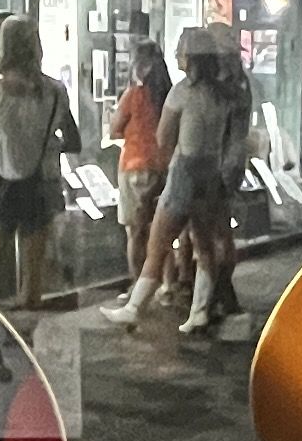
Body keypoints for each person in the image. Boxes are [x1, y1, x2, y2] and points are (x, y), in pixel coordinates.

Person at [140, 31, 260, 338]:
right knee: (208, 240)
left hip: (191, 168)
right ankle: (203, 306)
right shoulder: (230, 91)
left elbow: (165, 137)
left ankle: (141, 304)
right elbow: (235, 134)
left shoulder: (187, 91)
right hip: (215, 168)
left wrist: (171, 160)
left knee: (164, 239)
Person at [0, 15, 69, 309]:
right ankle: (31, 332)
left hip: (2, 181)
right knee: (34, 273)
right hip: (39, 181)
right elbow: (74, 139)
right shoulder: (55, 91)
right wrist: (47, 145)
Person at [106, 39, 170, 299]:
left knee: (135, 231)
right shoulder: (169, 95)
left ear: (139, 65)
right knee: (160, 231)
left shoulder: (134, 95)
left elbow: (114, 129)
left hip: (133, 166)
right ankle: (165, 285)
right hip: (162, 168)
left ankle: (137, 286)